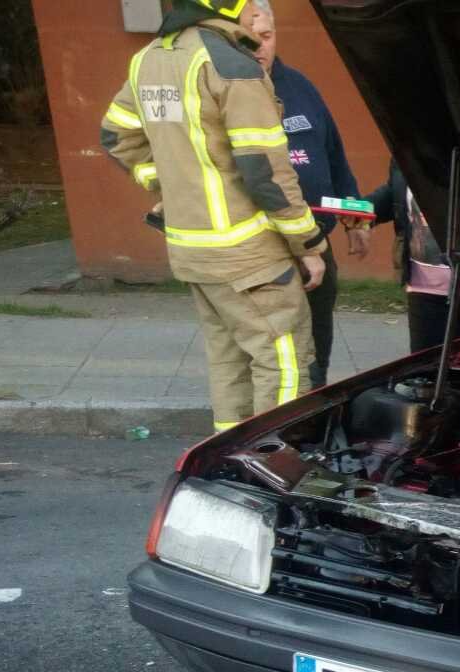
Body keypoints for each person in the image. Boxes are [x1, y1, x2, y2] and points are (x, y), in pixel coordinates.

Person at [100, 0, 325, 432]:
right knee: (284, 364)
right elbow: (265, 171)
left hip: (193, 250)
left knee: (229, 362)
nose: (255, 21)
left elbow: (115, 135)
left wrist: (163, 182)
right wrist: (309, 243)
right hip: (247, 254)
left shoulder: (149, 59)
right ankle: (271, 465)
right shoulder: (230, 65)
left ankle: (229, 464)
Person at [238, 0, 368, 392]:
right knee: (276, 356)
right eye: (248, 39)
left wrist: (357, 216)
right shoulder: (230, 92)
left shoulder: (300, 86)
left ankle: (313, 414)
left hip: (318, 242)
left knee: (317, 349)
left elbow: (334, 155)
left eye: (266, 36)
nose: (260, 47)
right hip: (266, 250)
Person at [365, 163, 455, 354]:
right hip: (423, 285)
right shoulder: (406, 151)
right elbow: (393, 193)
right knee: (424, 370)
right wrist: (362, 211)